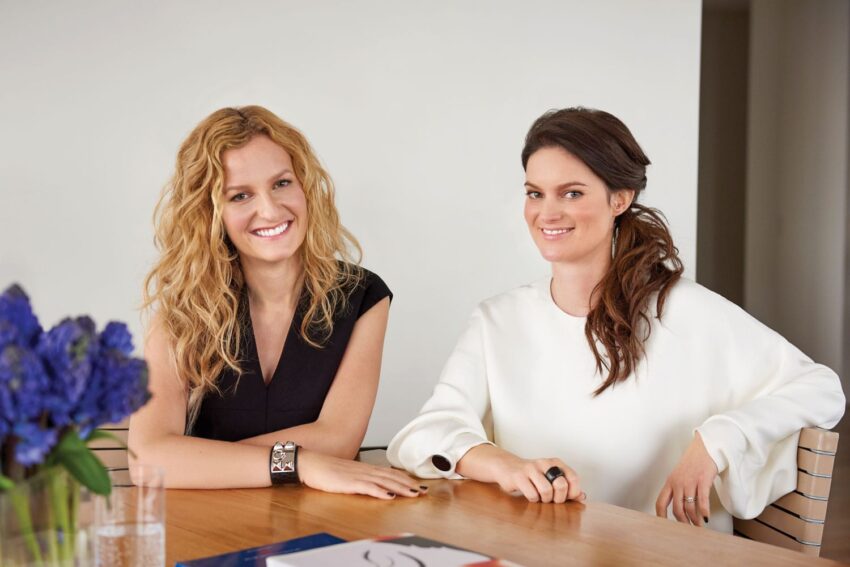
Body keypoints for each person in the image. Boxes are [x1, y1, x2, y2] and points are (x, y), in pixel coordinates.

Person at [387, 107, 845, 531]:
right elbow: (426, 433)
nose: (547, 212)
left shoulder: (685, 310)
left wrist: (717, 441)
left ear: (620, 199)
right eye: (535, 193)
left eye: (572, 193)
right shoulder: (498, 320)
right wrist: (509, 467)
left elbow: (821, 388)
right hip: (532, 553)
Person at [131, 105, 423, 499]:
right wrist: (300, 461)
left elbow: (336, 441)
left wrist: (194, 461)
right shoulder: (183, 309)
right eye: (240, 195)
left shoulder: (362, 296)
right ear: (210, 212)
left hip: (317, 522)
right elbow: (148, 460)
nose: (269, 210)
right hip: (206, 524)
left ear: (304, 185)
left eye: (282, 183)